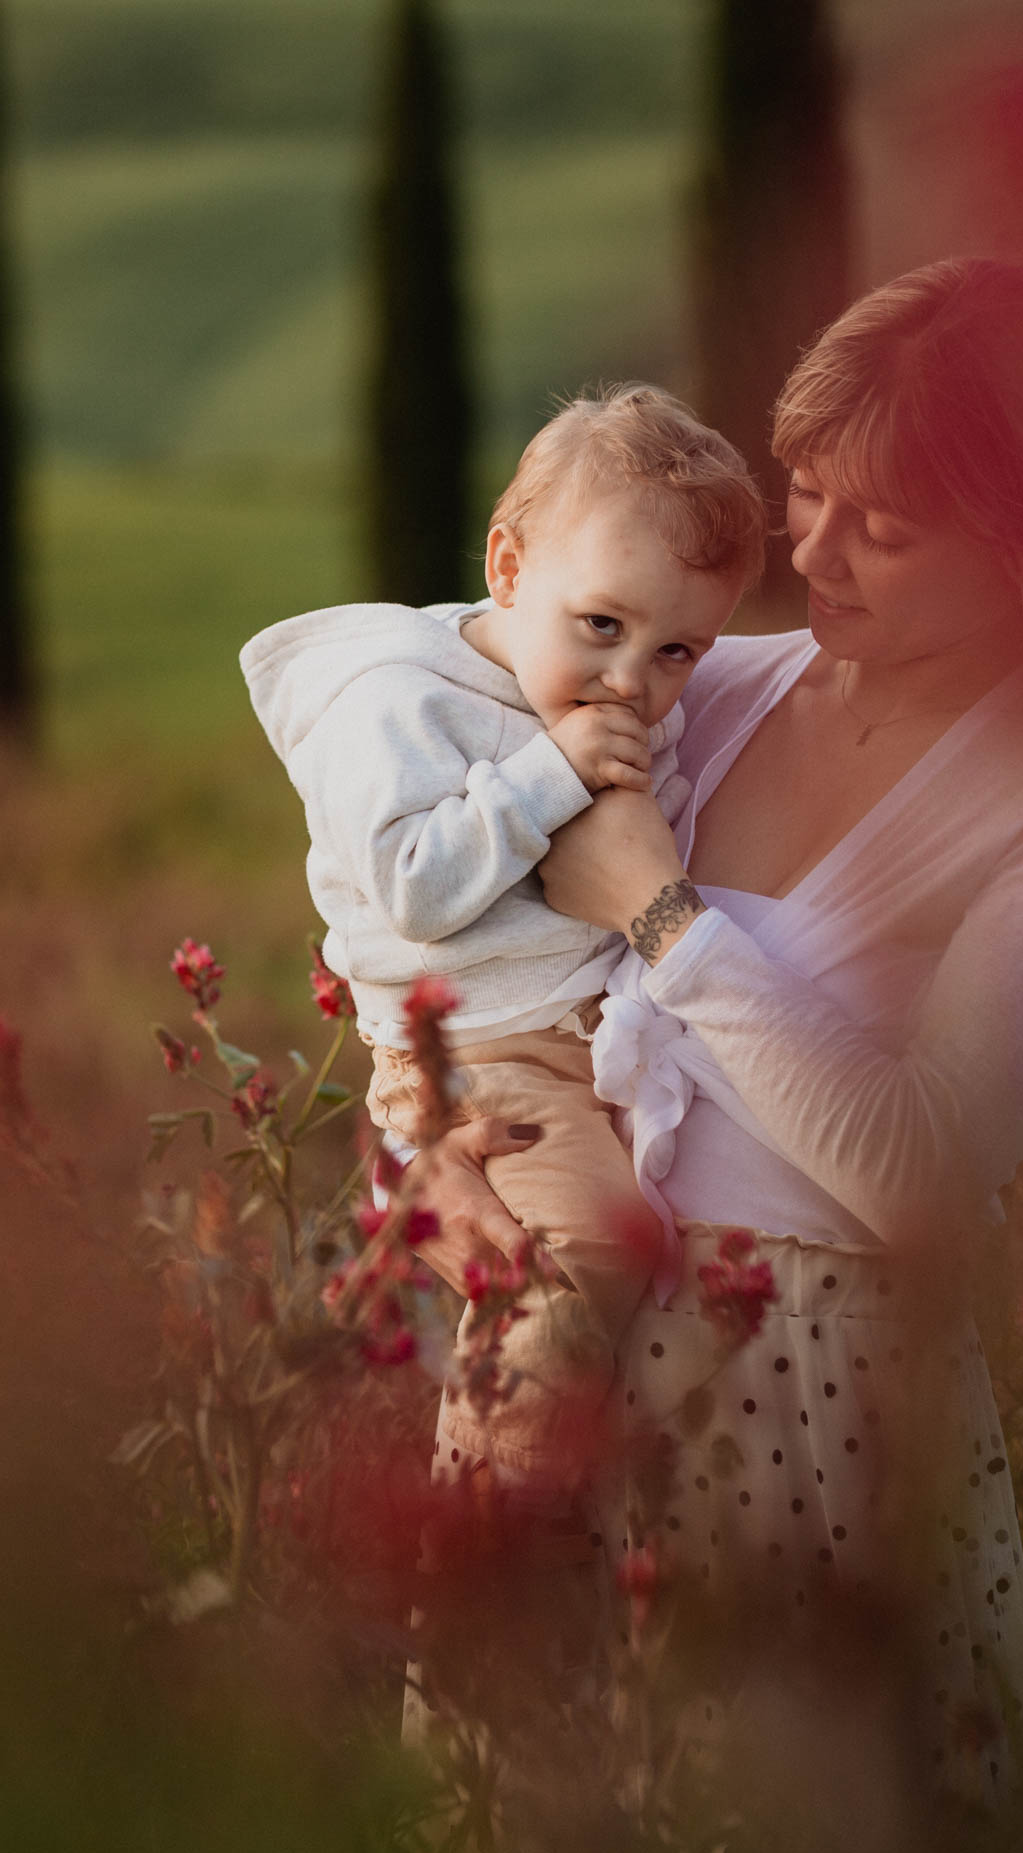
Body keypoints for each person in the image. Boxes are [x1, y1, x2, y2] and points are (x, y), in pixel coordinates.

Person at [421, 258, 1023, 1801]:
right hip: (556, 1363)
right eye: (808, 492)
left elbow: (920, 1171)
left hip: (810, 1415)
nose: (811, 552)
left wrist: (661, 912)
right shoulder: (708, 684)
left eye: (884, 529)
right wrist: (425, 1164)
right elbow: (448, 941)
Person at [240, 384, 766, 1482]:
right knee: (583, 1261)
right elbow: (415, 889)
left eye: (677, 653)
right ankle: (483, 1527)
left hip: (578, 1037)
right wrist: (547, 777)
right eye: (603, 628)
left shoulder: (583, 691)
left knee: (636, 1264)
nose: (632, 680)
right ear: (509, 569)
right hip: (475, 1058)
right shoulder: (396, 702)